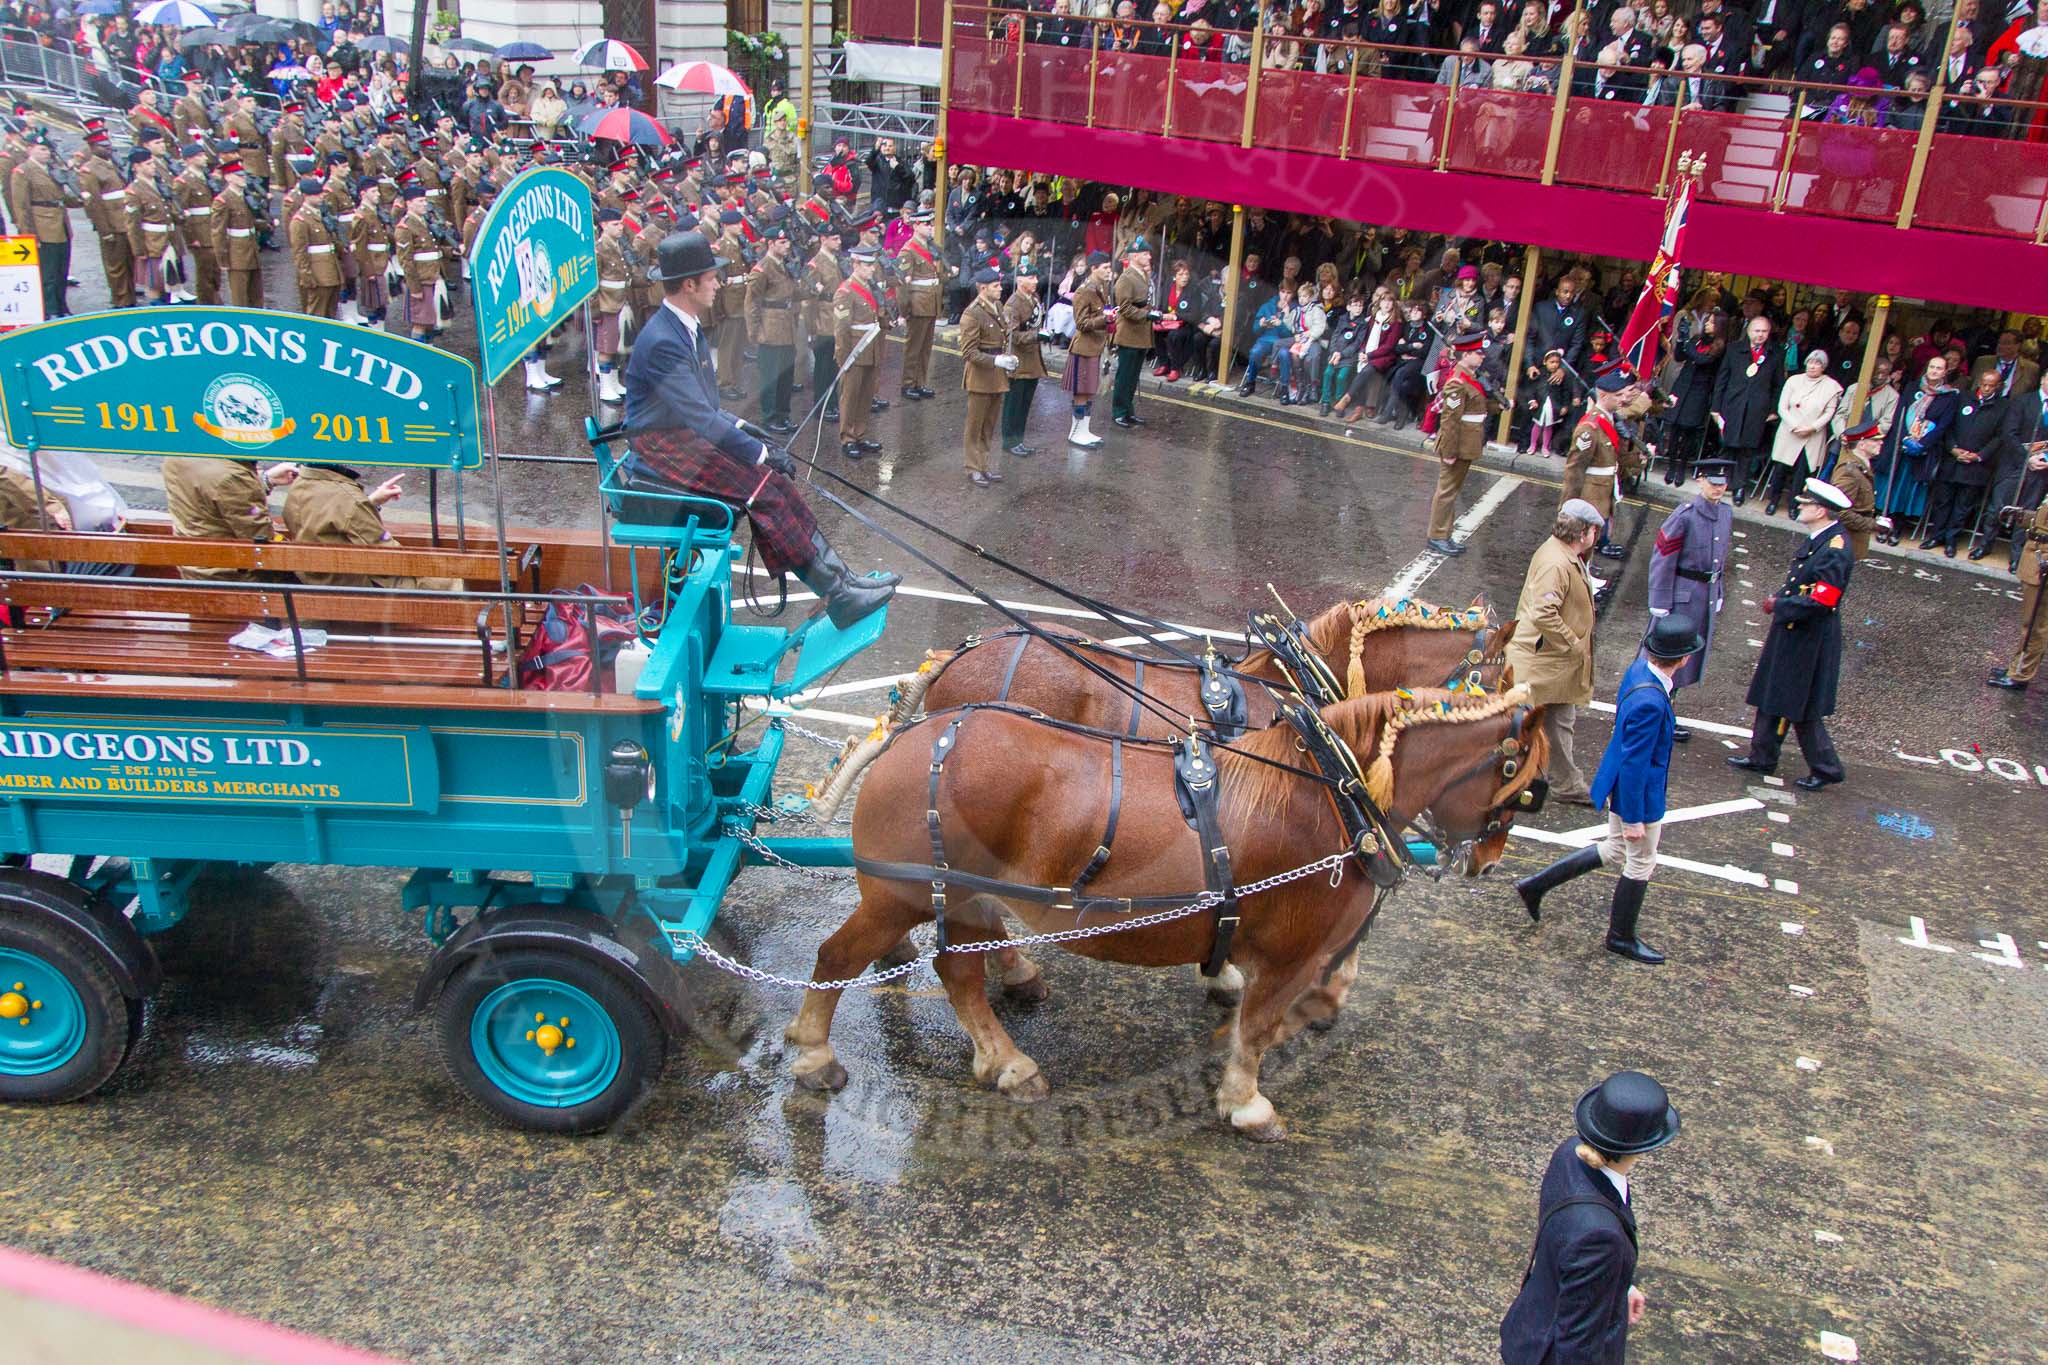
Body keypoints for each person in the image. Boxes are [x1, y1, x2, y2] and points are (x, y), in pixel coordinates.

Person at [620, 231, 895, 630]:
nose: (718, 283)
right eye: (711, 277)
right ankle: (838, 596)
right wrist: (759, 452)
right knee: (762, 489)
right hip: (662, 443)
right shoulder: (664, 337)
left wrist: (751, 433)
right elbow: (699, 418)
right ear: (689, 284)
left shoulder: (684, 325)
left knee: (776, 484)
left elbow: (707, 408)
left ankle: (843, 581)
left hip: (679, 429)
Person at [1514, 614, 1702, 962]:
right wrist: (1632, 818)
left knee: (1615, 849)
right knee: (1641, 861)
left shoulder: (1639, 671)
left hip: (1620, 781)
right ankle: (1621, 937)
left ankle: (1536, 885)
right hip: (1638, 794)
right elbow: (1636, 765)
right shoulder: (1651, 701)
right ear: (1684, 658)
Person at [1499, 1071, 1682, 1364]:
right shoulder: (1600, 1238)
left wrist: (1619, 1284)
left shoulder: (1569, 1154)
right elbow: (1577, 1346)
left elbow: (1570, 1254)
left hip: (1531, 1325)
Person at [1729, 479, 1855, 791]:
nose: (1800, 507)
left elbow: (1823, 600)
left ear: (1821, 511)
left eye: (1806, 503)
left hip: (1809, 637)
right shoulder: (1822, 539)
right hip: (1793, 631)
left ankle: (1826, 767)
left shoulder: (1836, 549)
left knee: (1802, 705)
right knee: (1773, 693)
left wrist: (1781, 605)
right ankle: (1762, 755)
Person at [1506, 501, 1605, 806]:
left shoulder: (1564, 555)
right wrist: (1573, 643)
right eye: (1594, 530)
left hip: (1552, 662)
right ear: (1584, 532)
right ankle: (1515, 782)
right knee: (1521, 726)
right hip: (1543, 661)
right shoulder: (1557, 562)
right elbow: (1545, 613)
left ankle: (1566, 783)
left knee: (1560, 721)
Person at [1643, 458, 1732, 737]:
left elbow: (1721, 558)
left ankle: (1666, 711)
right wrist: (1659, 599)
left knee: (1684, 660)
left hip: (1704, 595)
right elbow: (1663, 557)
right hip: (1683, 596)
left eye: (1722, 484)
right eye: (1712, 483)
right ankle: (1654, 711)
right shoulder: (1685, 515)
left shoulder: (1726, 513)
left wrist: (1719, 591)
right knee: (1665, 657)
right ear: (1700, 481)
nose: (1718, 489)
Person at [282, 465, 461, 592]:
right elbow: (389, 556)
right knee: (449, 578)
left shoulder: (300, 484)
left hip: (316, 580)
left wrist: (370, 503)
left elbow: (328, 518)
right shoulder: (348, 499)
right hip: (353, 591)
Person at [162, 457, 300, 580]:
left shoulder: (176, 458)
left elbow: (213, 496)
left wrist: (265, 481)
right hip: (230, 575)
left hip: (193, 567)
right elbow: (261, 539)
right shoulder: (232, 477)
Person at [1424, 332, 1498, 557]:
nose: (1482, 356)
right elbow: (1450, 421)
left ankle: (1444, 533)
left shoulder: (1470, 377)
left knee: (1452, 491)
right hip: (1457, 443)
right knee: (1446, 491)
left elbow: (1477, 406)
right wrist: (1449, 450)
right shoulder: (1457, 382)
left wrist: (1498, 406)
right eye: (1478, 353)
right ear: (1466, 355)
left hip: (1467, 442)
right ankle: (1437, 535)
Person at [1920, 365, 2005, 556]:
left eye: (1991, 386)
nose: (1986, 388)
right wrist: (1952, 448)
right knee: (1943, 501)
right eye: (1984, 384)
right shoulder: (1963, 398)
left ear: (1998, 386)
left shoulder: (2003, 407)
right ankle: (1937, 535)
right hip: (1952, 460)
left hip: (1977, 466)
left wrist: (1979, 455)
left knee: (1963, 506)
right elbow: (1948, 426)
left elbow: (1999, 437)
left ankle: (1951, 540)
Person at [1562, 366, 1634, 560]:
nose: (1623, 399)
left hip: (1603, 491)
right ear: (1603, 395)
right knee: (1581, 545)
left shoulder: (1609, 420)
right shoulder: (1590, 427)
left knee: (1591, 543)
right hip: (1590, 494)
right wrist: (1567, 505)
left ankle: (1586, 576)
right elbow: (1575, 469)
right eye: (1618, 395)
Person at [1709, 315, 1781, 503]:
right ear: (1749, 331)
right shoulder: (1734, 349)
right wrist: (1715, 407)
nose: (1760, 335)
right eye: (1757, 331)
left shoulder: (1775, 354)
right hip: (1732, 405)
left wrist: (1773, 410)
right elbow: (1721, 379)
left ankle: (1739, 487)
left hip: (1757, 409)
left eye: (1764, 332)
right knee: (1727, 445)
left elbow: (1777, 385)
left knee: (1747, 450)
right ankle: (1720, 482)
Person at [958, 267, 1018, 488]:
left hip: (996, 375)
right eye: (996, 286)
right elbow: (969, 352)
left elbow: (1002, 338)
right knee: (975, 425)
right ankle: (972, 467)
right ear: (983, 288)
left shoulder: (998, 306)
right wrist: (996, 361)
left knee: (989, 425)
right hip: (980, 376)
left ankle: (983, 465)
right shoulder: (972, 313)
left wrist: (1008, 359)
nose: (1000, 289)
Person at [1988, 495, 2048, 692]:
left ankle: (2020, 675)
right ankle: (2017, 667)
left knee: (2035, 625)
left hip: (2042, 561)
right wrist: (2026, 517)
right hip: (2035, 555)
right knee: (2031, 621)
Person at [745, 225, 800, 435]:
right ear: (770, 244)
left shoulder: (783, 265)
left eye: (787, 242)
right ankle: (770, 417)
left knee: (786, 376)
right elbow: (751, 304)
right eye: (782, 242)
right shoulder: (762, 270)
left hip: (787, 327)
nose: (787, 246)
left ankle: (783, 415)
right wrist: (755, 332)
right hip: (770, 329)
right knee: (771, 377)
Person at [895, 210, 948, 401]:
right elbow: (903, 285)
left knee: (925, 347)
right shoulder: (908, 251)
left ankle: (919, 382)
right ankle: (908, 383)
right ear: (916, 225)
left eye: (931, 224)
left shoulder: (930, 247)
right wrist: (904, 310)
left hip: (930, 302)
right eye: (926, 224)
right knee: (914, 347)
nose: (930, 227)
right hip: (917, 304)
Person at [1001, 261, 1049, 457]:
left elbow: (1036, 321)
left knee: (1025, 403)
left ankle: (1019, 439)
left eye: (1036, 277)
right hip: (1019, 361)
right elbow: (1013, 336)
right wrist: (1036, 336)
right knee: (1014, 403)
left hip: (1032, 360)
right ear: (1019, 280)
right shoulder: (1013, 304)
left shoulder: (1034, 298)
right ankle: (1009, 440)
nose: (1035, 281)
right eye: (1030, 278)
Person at [1066, 251, 1113, 448]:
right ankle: (1076, 433)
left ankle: (1084, 430)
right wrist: (1106, 319)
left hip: (1095, 347)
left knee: (1090, 391)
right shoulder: (1085, 290)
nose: (1109, 271)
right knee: (1081, 392)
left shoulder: (1101, 286)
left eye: (1109, 267)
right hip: (1083, 348)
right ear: (1093, 268)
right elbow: (1081, 323)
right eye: (1105, 268)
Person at [1829, 417, 1891, 561]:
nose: (1881, 442)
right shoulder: (1849, 472)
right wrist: (1873, 525)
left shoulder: (1861, 466)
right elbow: (1840, 512)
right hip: (1843, 542)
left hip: (1851, 541)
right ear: (1862, 445)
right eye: (1875, 440)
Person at [1109, 237, 1155, 428]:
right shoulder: (1126, 278)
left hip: (1141, 333)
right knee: (1125, 375)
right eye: (1145, 254)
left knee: (1133, 376)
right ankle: (1119, 411)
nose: (1149, 256)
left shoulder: (1143, 275)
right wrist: (1147, 315)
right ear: (1134, 256)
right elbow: (1125, 307)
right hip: (1129, 333)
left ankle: (1128, 411)